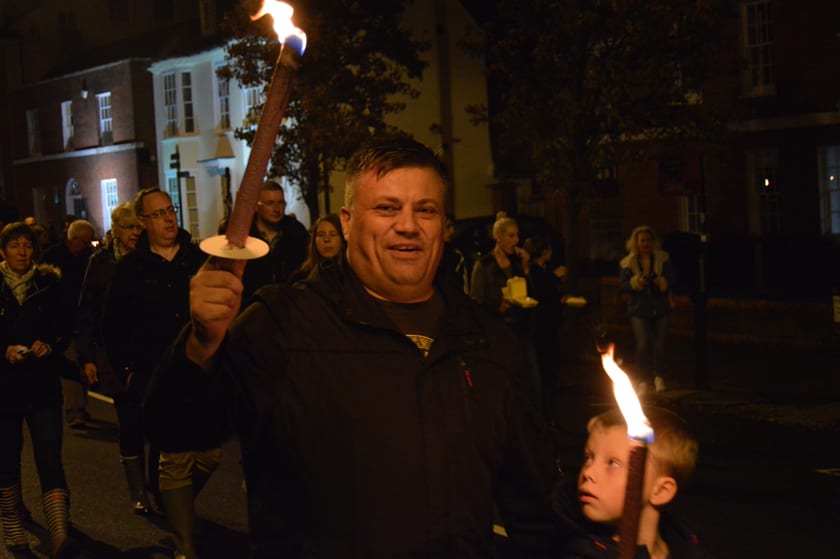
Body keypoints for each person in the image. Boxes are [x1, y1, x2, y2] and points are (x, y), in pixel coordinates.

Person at [145, 137, 560, 557]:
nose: (408, 225)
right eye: (386, 207)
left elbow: (533, 508)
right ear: (347, 221)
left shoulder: (489, 341)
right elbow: (175, 428)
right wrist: (200, 346)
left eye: (426, 210)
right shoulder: (283, 324)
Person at [103, 188, 216, 558]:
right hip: (156, 374)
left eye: (171, 210)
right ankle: (185, 544)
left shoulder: (198, 259)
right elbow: (113, 325)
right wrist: (128, 369)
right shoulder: (129, 270)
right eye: (159, 214)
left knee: (209, 453)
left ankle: (175, 501)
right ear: (143, 222)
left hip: (200, 370)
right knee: (171, 454)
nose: (169, 219)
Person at [0, 223, 79, 558]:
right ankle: (12, 525)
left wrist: (50, 345)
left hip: (42, 385)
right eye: (14, 245)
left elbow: (65, 326)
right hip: (3, 389)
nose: (22, 252)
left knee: (49, 457)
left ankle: (60, 530)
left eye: (27, 245)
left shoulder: (49, 283)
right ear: (2, 250)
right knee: (6, 459)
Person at [556, 406, 706, 559]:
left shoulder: (686, 547)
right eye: (588, 458)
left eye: (612, 463)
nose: (588, 472)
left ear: (661, 491)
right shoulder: (577, 551)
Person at [75, 203, 148, 514]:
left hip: (150, 350)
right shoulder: (102, 263)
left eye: (138, 228)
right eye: (129, 228)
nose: (134, 233)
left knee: (157, 418)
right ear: (116, 231)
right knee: (129, 420)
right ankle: (138, 490)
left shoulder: (149, 259)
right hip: (115, 353)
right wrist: (87, 357)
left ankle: (163, 486)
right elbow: (87, 311)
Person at [469, 212, 541, 413]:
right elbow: (476, 299)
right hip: (499, 329)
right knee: (505, 380)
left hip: (521, 327)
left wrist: (526, 269)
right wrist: (497, 306)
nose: (516, 240)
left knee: (531, 378)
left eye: (517, 235)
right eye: (511, 235)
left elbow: (531, 293)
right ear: (498, 237)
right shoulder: (484, 264)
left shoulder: (517, 262)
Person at [40, 219, 96, 428]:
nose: (88, 246)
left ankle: (81, 406)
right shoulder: (53, 256)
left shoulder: (87, 258)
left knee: (85, 364)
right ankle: (74, 410)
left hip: (82, 319)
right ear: (74, 240)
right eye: (85, 242)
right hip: (62, 320)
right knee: (71, 365)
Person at [619, 226, 674, 395]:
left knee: (659, 344)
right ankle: (642, 380)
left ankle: (659, 377)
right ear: (636, 242)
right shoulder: (628, 263)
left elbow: (672, 279)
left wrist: (661, 282)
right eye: (642, 240)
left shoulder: (662, 259)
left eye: (648, 240)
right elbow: (623, 284)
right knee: (642, 345)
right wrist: (636, 282)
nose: (645, 244)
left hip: (659, 306)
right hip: (638, 307)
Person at [523, 235, 567, 421]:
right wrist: (553, 277)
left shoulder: (544, 270)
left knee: (551, 370)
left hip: (551, 325)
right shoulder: (535, 272)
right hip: (541, 327)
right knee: (545, 370)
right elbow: (538, 293)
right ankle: (545, 414)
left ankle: (550, 412)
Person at [242, 181, 309, 297]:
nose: (276, 209)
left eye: (280, 203)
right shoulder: (244, 235)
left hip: (290, 303)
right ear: (257, 206)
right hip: (253, 304)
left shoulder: (296, 232)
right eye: (270, 203)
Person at [288, 213, 344, 283]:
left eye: (333, 234)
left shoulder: (350, 276)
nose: (326, 239)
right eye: (321, 235)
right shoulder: (301, 277)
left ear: (342, 238)